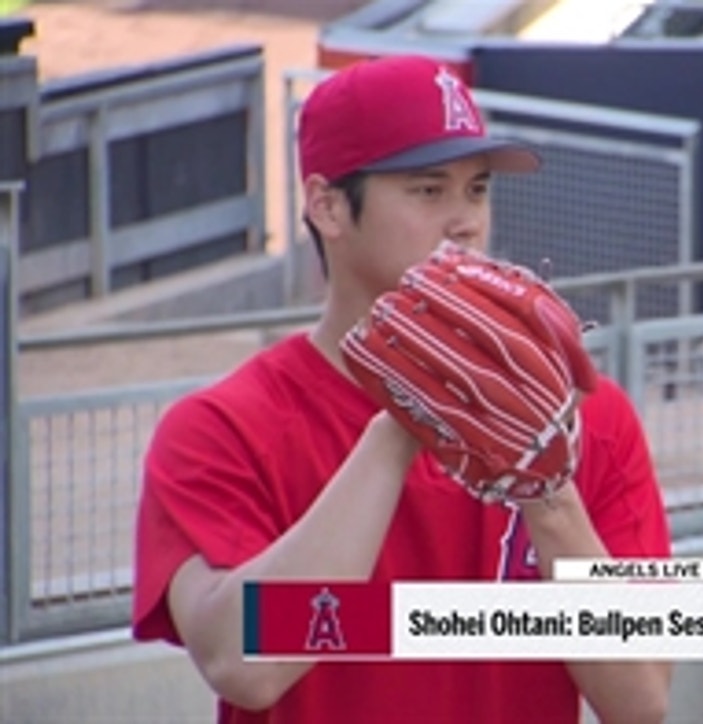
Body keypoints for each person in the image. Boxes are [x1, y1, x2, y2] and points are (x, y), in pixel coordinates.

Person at [132, 54, 673, 724]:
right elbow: (245, 667)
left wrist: (552, 496)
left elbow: (644, 699)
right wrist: (401, 422)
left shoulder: (588, 417)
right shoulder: (223, 427)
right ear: (327, 205)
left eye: (477, 190)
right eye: (428, 190)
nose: (465, 222)